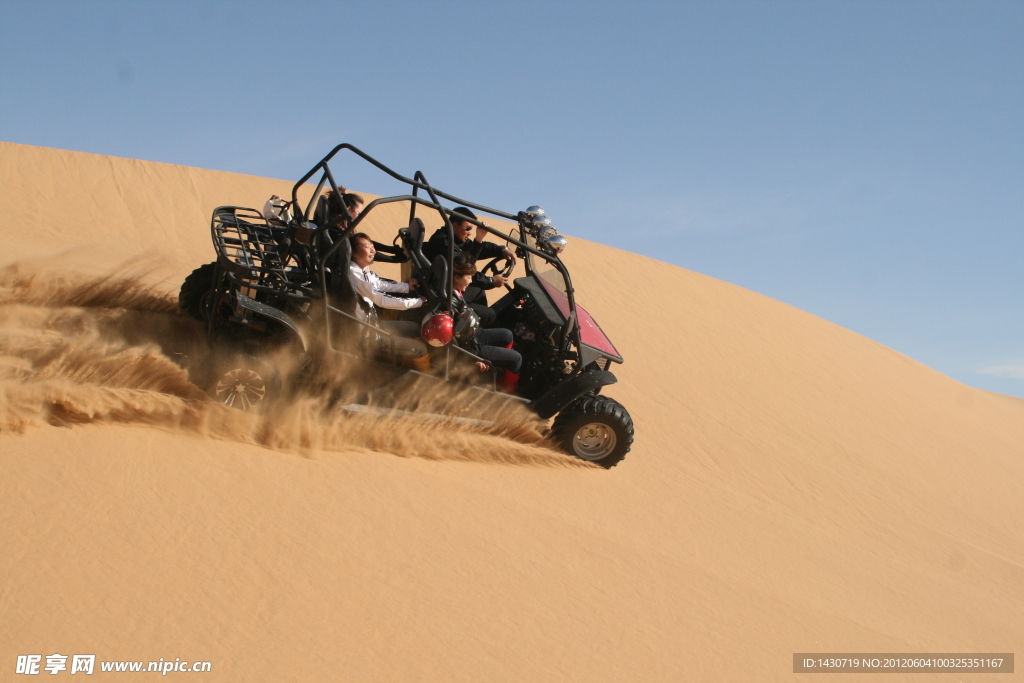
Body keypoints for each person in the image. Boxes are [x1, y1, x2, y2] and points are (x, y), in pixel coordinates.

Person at [423, 206, 515, 326]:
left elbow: (472, 250)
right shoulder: (444, 243)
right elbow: (465, 268)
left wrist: (501, 250)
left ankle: (474, 326)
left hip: (444, 287)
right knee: (490, 314)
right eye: (467, 229)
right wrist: (491, 281)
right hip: (444, 295)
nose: (470, 232)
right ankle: (472, 332)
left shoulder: (452, 238)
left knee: (478, 291)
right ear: (455, 225)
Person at [450, 254, 521, 383]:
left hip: (470, 337)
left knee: (507, 334)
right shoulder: (452, 302)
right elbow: (458, 338)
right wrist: (475, 358)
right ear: (456, 277)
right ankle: (506, 394)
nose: (471, 281)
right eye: (469, 277)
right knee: (516, 359)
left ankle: (499, 369)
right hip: (467, 347)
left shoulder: (455, 293)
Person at [349, 232, 424, 338]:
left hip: (372, 325)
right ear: (354, 253)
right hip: (367, 335)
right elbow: (382, 300)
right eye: (367, 247)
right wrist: (418, 302)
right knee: (420, 348)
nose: (373, 250)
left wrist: (407, 287)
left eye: (373, 246)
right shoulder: (355, 273)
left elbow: (380, 284)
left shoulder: (362, 270)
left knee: (415, 328)